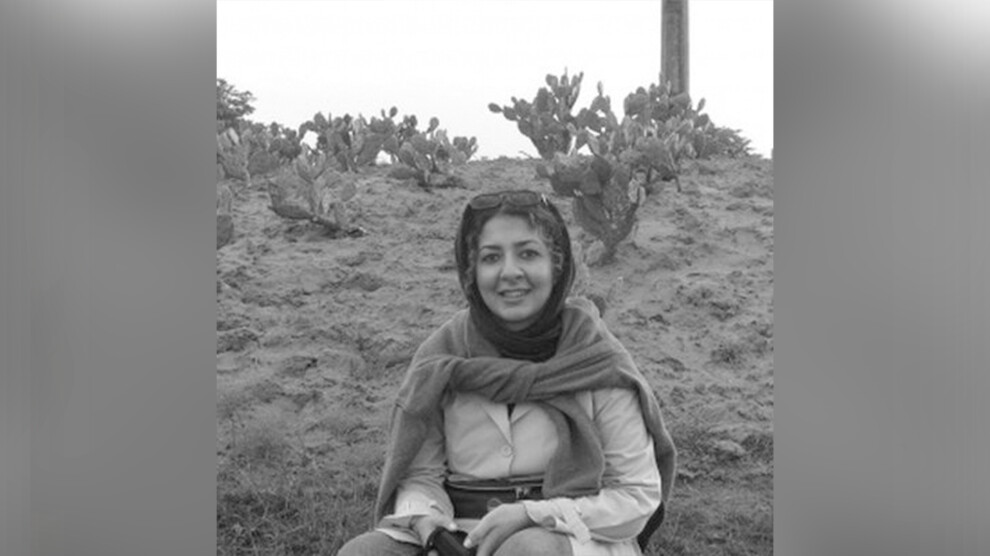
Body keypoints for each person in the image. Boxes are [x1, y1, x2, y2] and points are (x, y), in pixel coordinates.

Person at [337, 190, 676, 556]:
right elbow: (420, 476)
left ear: (556, 265)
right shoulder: (443, 356)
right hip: (460, 535)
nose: (510, 272)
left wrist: (533, 515)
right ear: (472, 271)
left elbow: (635, 496)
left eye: (528, 254)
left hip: (573, 536)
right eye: (491, 257)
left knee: (528, 550)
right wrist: (428, 521)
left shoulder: (594, 357)